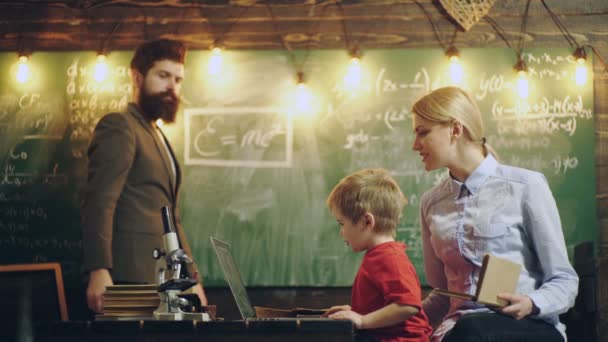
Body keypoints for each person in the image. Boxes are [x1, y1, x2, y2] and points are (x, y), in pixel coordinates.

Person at [411, 86, 578, 341]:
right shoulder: (430, 203)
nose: (415, 145)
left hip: (528, 326)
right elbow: (443, 294)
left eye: (423, 132)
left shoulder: (526, 186)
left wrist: (531, 303)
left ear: (455, 129)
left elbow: (564, 280)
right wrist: (375, 319)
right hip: (462, 332)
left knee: (471, 330)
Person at [81, 39, 207, 314]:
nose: (171, 86)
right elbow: (99, 201)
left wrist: (192, 278)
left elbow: (172, 216)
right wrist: (98, 269)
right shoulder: (120, 125)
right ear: (137, 77)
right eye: (163, 76)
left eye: (177, 79)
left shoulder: (156, 133)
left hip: (163, 282)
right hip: (127, 280)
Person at [323, 168, 432, 342]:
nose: (341, 233)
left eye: (342, 223)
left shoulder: (389, 258)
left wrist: (363, 320)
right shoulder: (379, 255)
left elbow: (408, 305)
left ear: (367, 221)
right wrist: (356, 313)